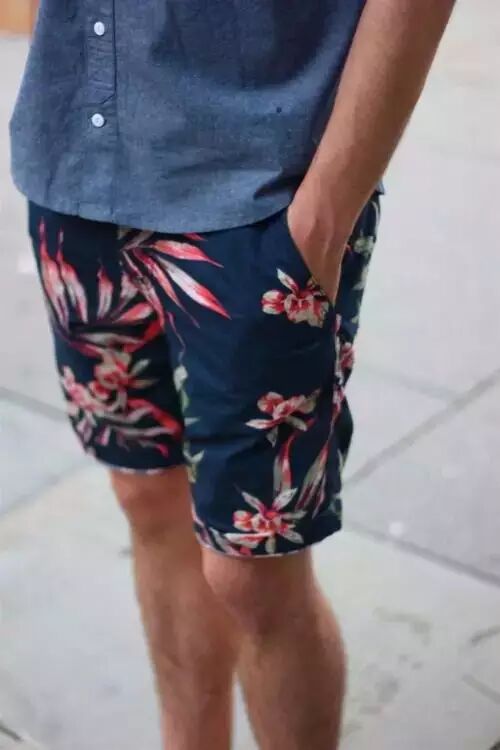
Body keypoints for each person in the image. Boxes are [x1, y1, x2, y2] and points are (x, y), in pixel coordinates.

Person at [10, 1, 455, 748]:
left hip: (256, 197)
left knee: (255, 573)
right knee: (146, 499)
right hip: (73, 167)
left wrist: (326, 211)